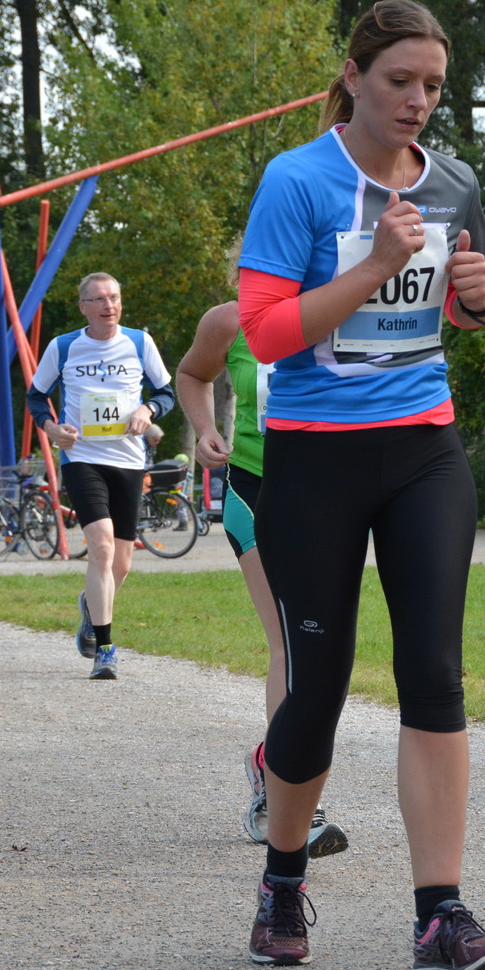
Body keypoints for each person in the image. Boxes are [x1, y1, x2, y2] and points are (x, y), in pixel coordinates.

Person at [235, 0, 485, 970]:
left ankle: (440, 917)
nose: (417, 101)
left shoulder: (455, 182)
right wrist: (380, 265)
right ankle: (280, 880)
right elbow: (267, 333)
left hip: (422, 452)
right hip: (313, 457)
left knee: (433, 672)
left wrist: (472, 297)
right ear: (353, 76)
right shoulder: (298, 179)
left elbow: (459, 308)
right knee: (315, 688)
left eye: (433, 85)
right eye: (399, 80)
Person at [176, 290, 348, 859]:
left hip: (327, 493)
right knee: (289, 644)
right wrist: (204, 429)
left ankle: (267, 759)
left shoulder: (349, 312)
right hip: (255, 487)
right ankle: (291, 800)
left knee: (323, 649)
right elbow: (192, 374)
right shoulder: (228, 319)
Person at [26, 273, 176, 681]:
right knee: (102, 546)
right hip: (82, 458)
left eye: (114, 297)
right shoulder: (63, 346)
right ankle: (106, 650)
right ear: (83, 307)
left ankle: (91, 609)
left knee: (121, 565)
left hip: (128, 460)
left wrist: (148, 411)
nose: (109, 305)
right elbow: (36, 396)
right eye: (99, 299)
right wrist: (52, 428)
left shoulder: (140, 343)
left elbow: (167, 392)